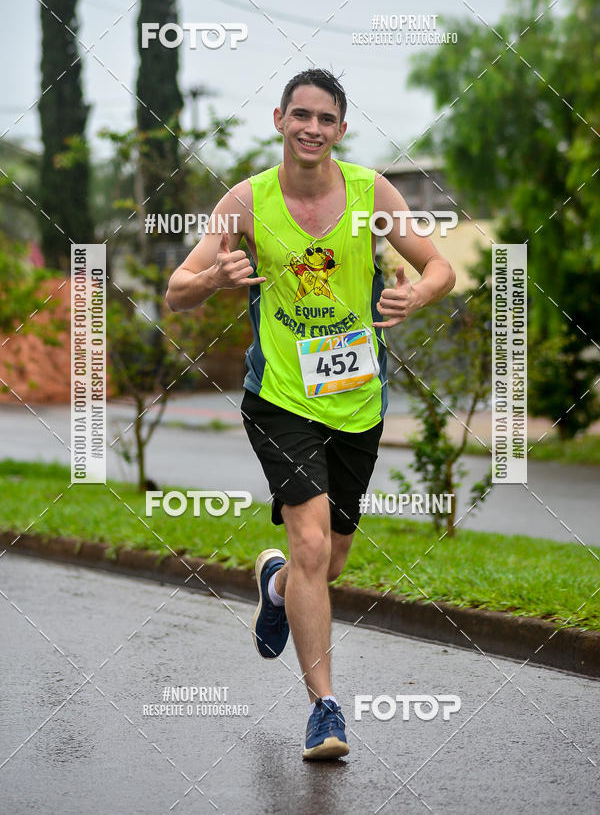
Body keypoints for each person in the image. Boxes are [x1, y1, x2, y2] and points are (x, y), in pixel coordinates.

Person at [166, 68, 455, 760]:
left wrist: (418, 295)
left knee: (331, 555)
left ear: (341, 129)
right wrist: (214, 278)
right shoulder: (245, 201)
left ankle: (273, 585)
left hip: (356, 398)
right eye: (301, 115)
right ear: (278, 119)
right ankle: (325, 707)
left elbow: (439, 264)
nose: (312, 128)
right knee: (312, 545)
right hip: (280, 398)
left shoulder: (372, 193)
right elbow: (177, 289)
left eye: (326, 119)